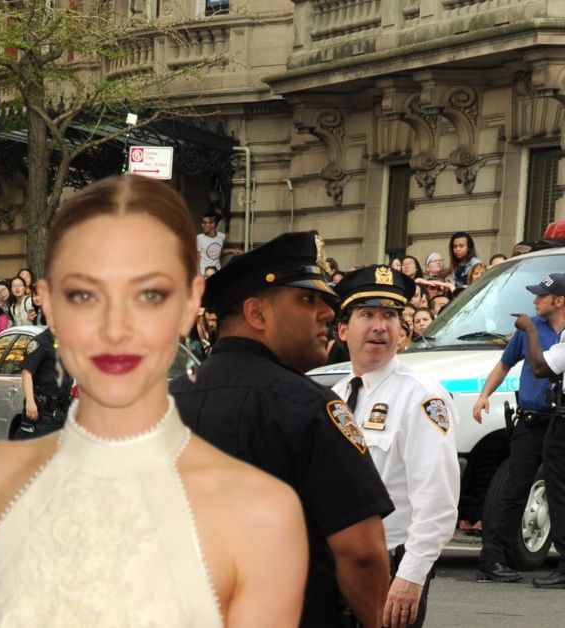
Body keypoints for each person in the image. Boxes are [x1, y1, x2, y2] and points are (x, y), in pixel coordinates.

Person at [0, 175, 307, 626]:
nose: (116, 328)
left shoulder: (262, 515)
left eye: (149, 295)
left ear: (191, 304)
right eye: (85, 295)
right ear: (49, 304)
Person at [170, 231, 394, 628]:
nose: (328, 312)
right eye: (307, 299)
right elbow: (360, 551)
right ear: (257, 314)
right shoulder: (310, 407)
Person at [331, 266, 460, 628]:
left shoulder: (420, 397)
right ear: (343, 329)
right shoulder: (337, 396)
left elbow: (437, 499)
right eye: (367, 314)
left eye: (390, 316)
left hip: (391, 569)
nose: (380, 326)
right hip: (338, 566)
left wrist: (412, 575)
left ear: (401, 332)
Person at [473, 273, 565, 587]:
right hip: (531, 421)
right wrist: (484, 395)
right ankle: (493, 558)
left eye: (541, 295)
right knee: (513, 490)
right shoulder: (530, 329)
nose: (535, 300)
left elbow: (544, 368)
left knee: (559, 492)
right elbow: (504, 364)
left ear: (559, 300)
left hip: (560, 422)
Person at [15, 327, 73, 438]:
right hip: (43, 412)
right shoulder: (40, 342)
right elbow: (26, 373)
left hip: (62, 411)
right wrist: (30, 402)